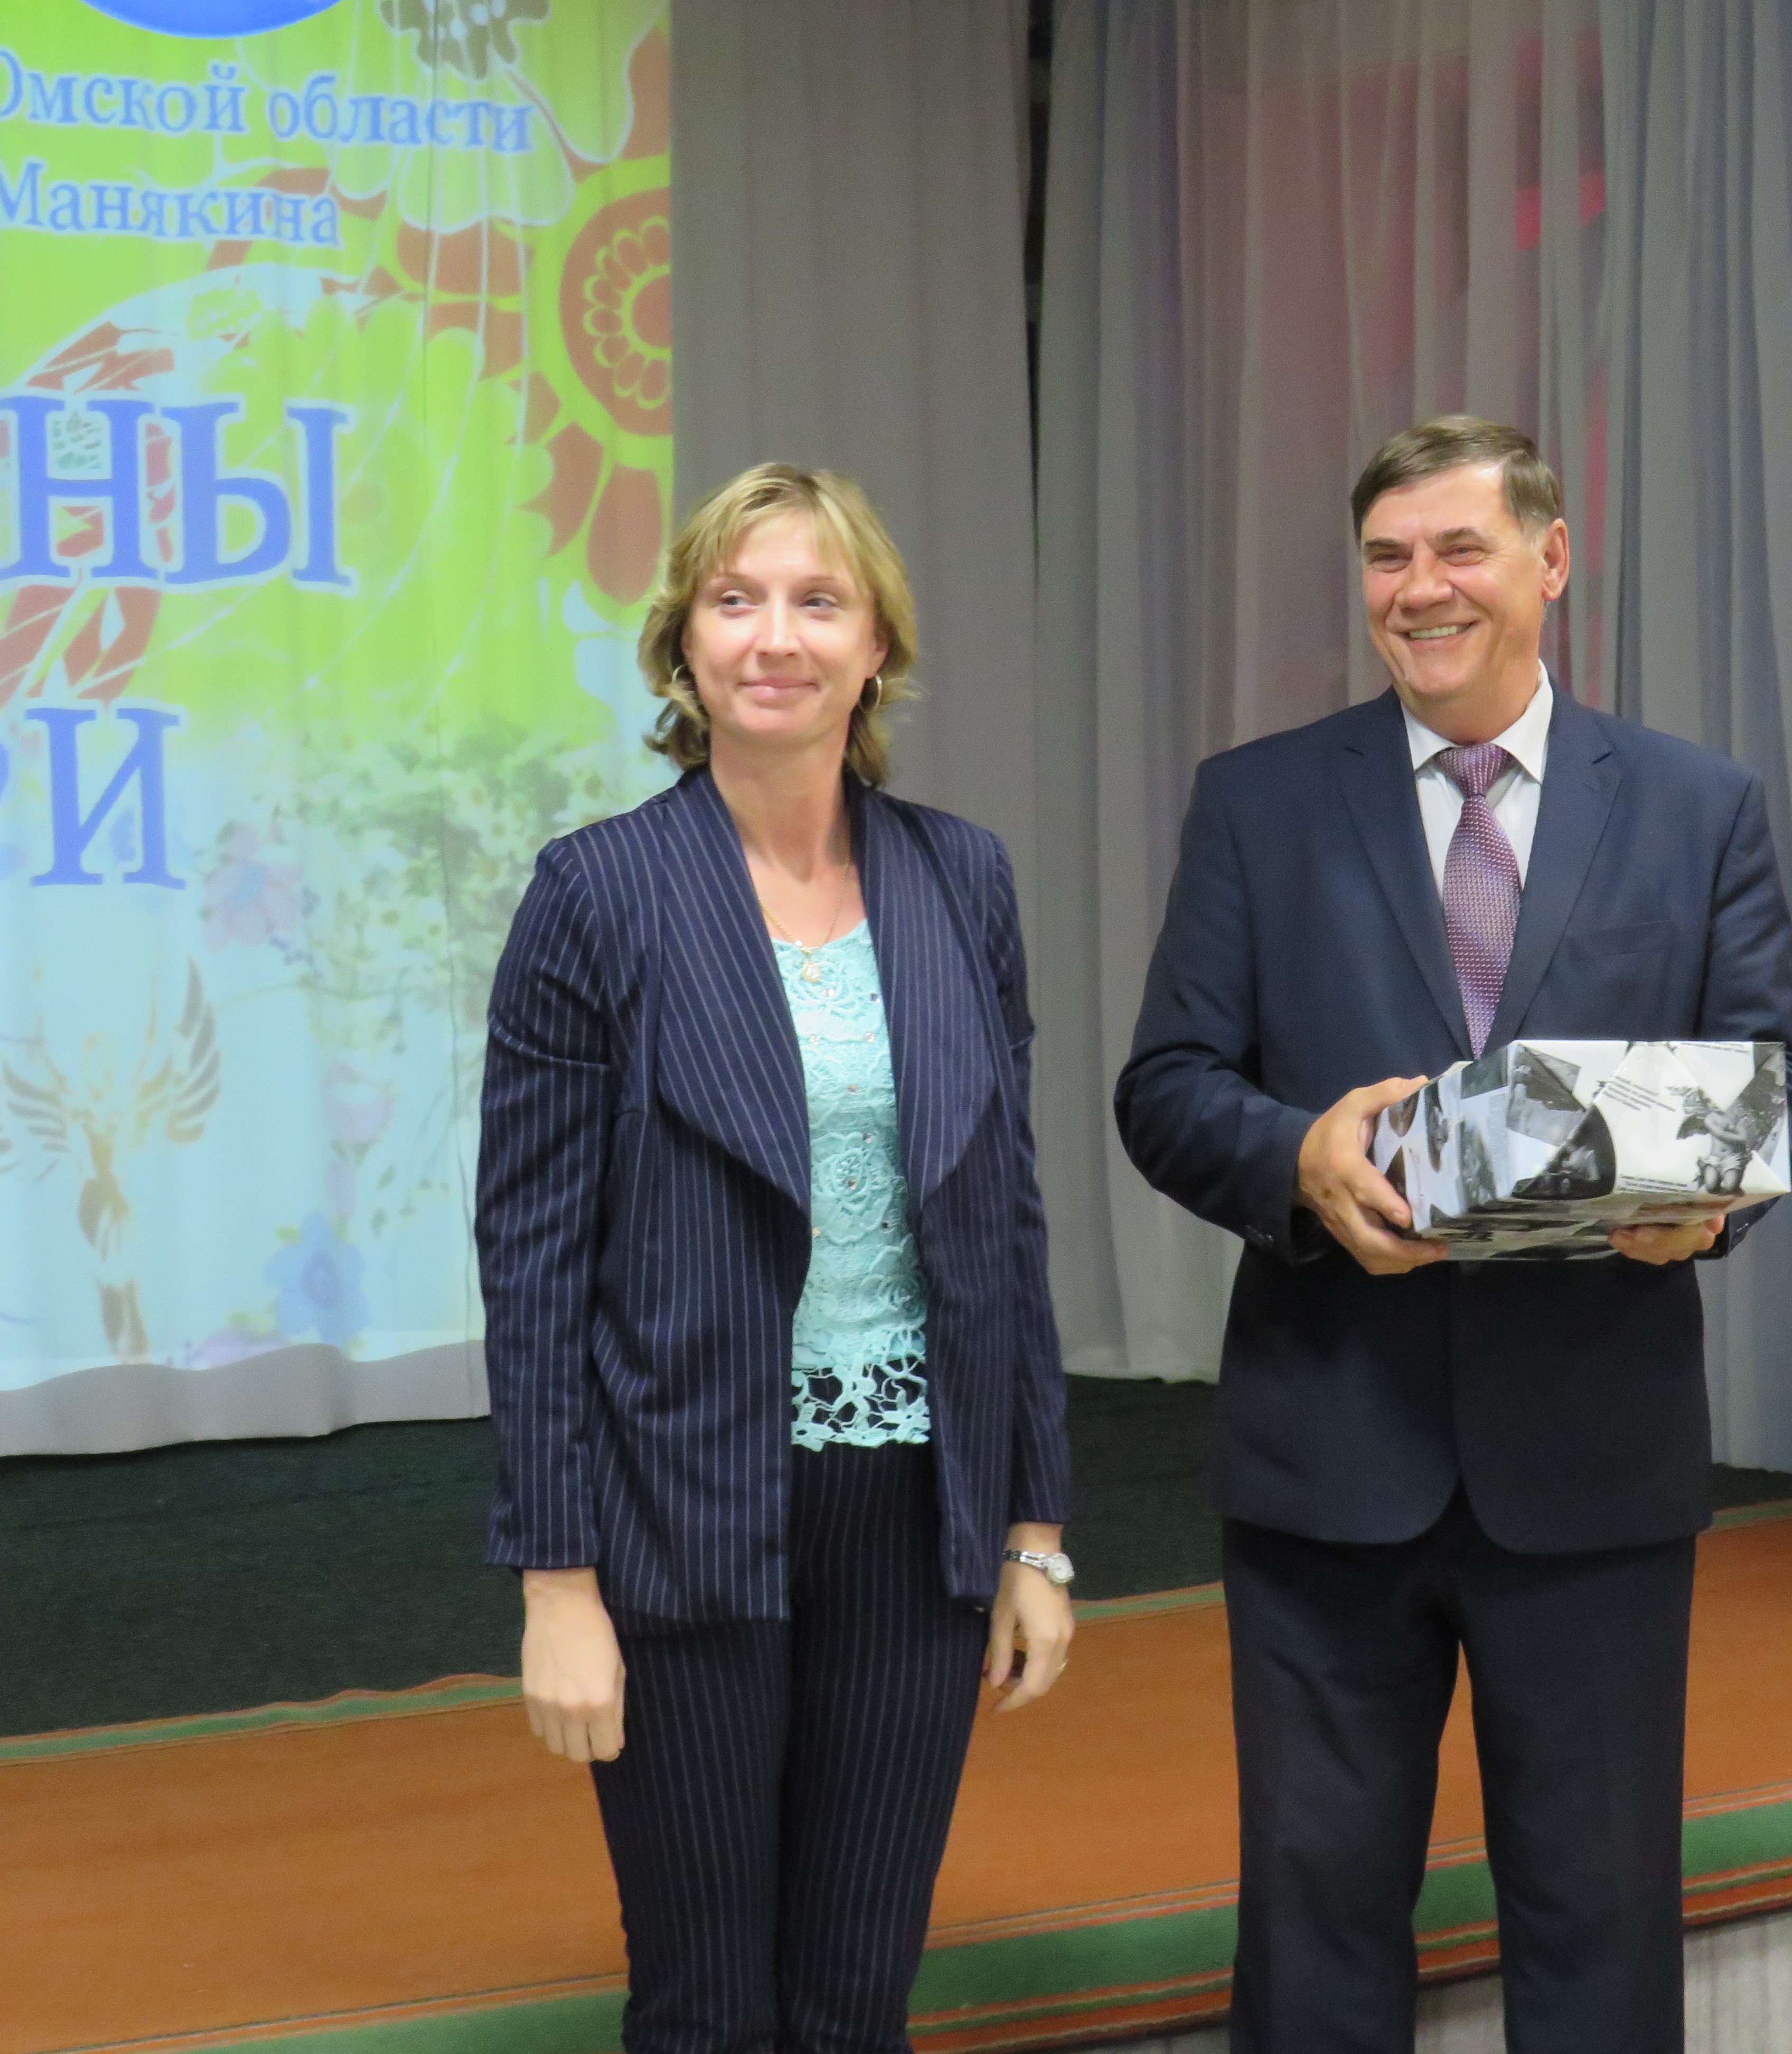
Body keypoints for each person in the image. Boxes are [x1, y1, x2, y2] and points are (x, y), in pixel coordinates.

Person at [1116, 416, 1792, 2054]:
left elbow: (1777, 1083)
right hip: (1326, 1464)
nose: (1418, 589)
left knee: (1601, 1932)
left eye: (1457, 549)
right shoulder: (1259, 804)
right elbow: (1166, 1089)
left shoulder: (1699, 807)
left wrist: (1706, 1210)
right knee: (1314, 1936)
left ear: (1551, 561)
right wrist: (1300, 1158)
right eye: (1386, 557)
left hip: (1593, 1466)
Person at [476, 463, 1076, 2054]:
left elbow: (1003, 1222)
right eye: (735, 601)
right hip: (682, 1508)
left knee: (857, 1997)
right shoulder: (596, 893)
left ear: (878, 646)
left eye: (819, 601)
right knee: (707, 2009)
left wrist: (1034, 1531)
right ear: (684, 644)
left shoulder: (962, 878)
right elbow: (531, 1267)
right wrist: (557, 1584)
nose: (776, 637)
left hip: (918, 1513)